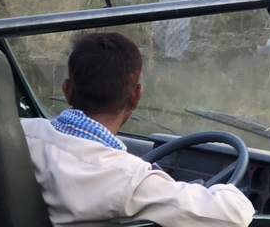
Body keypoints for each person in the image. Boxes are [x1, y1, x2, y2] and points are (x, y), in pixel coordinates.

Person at [21, 32, 254, 227]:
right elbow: (235, 215)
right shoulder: (125, 179)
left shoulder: (19, 133)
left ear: (67, 90)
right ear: (135, 97)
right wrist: (228, 190)